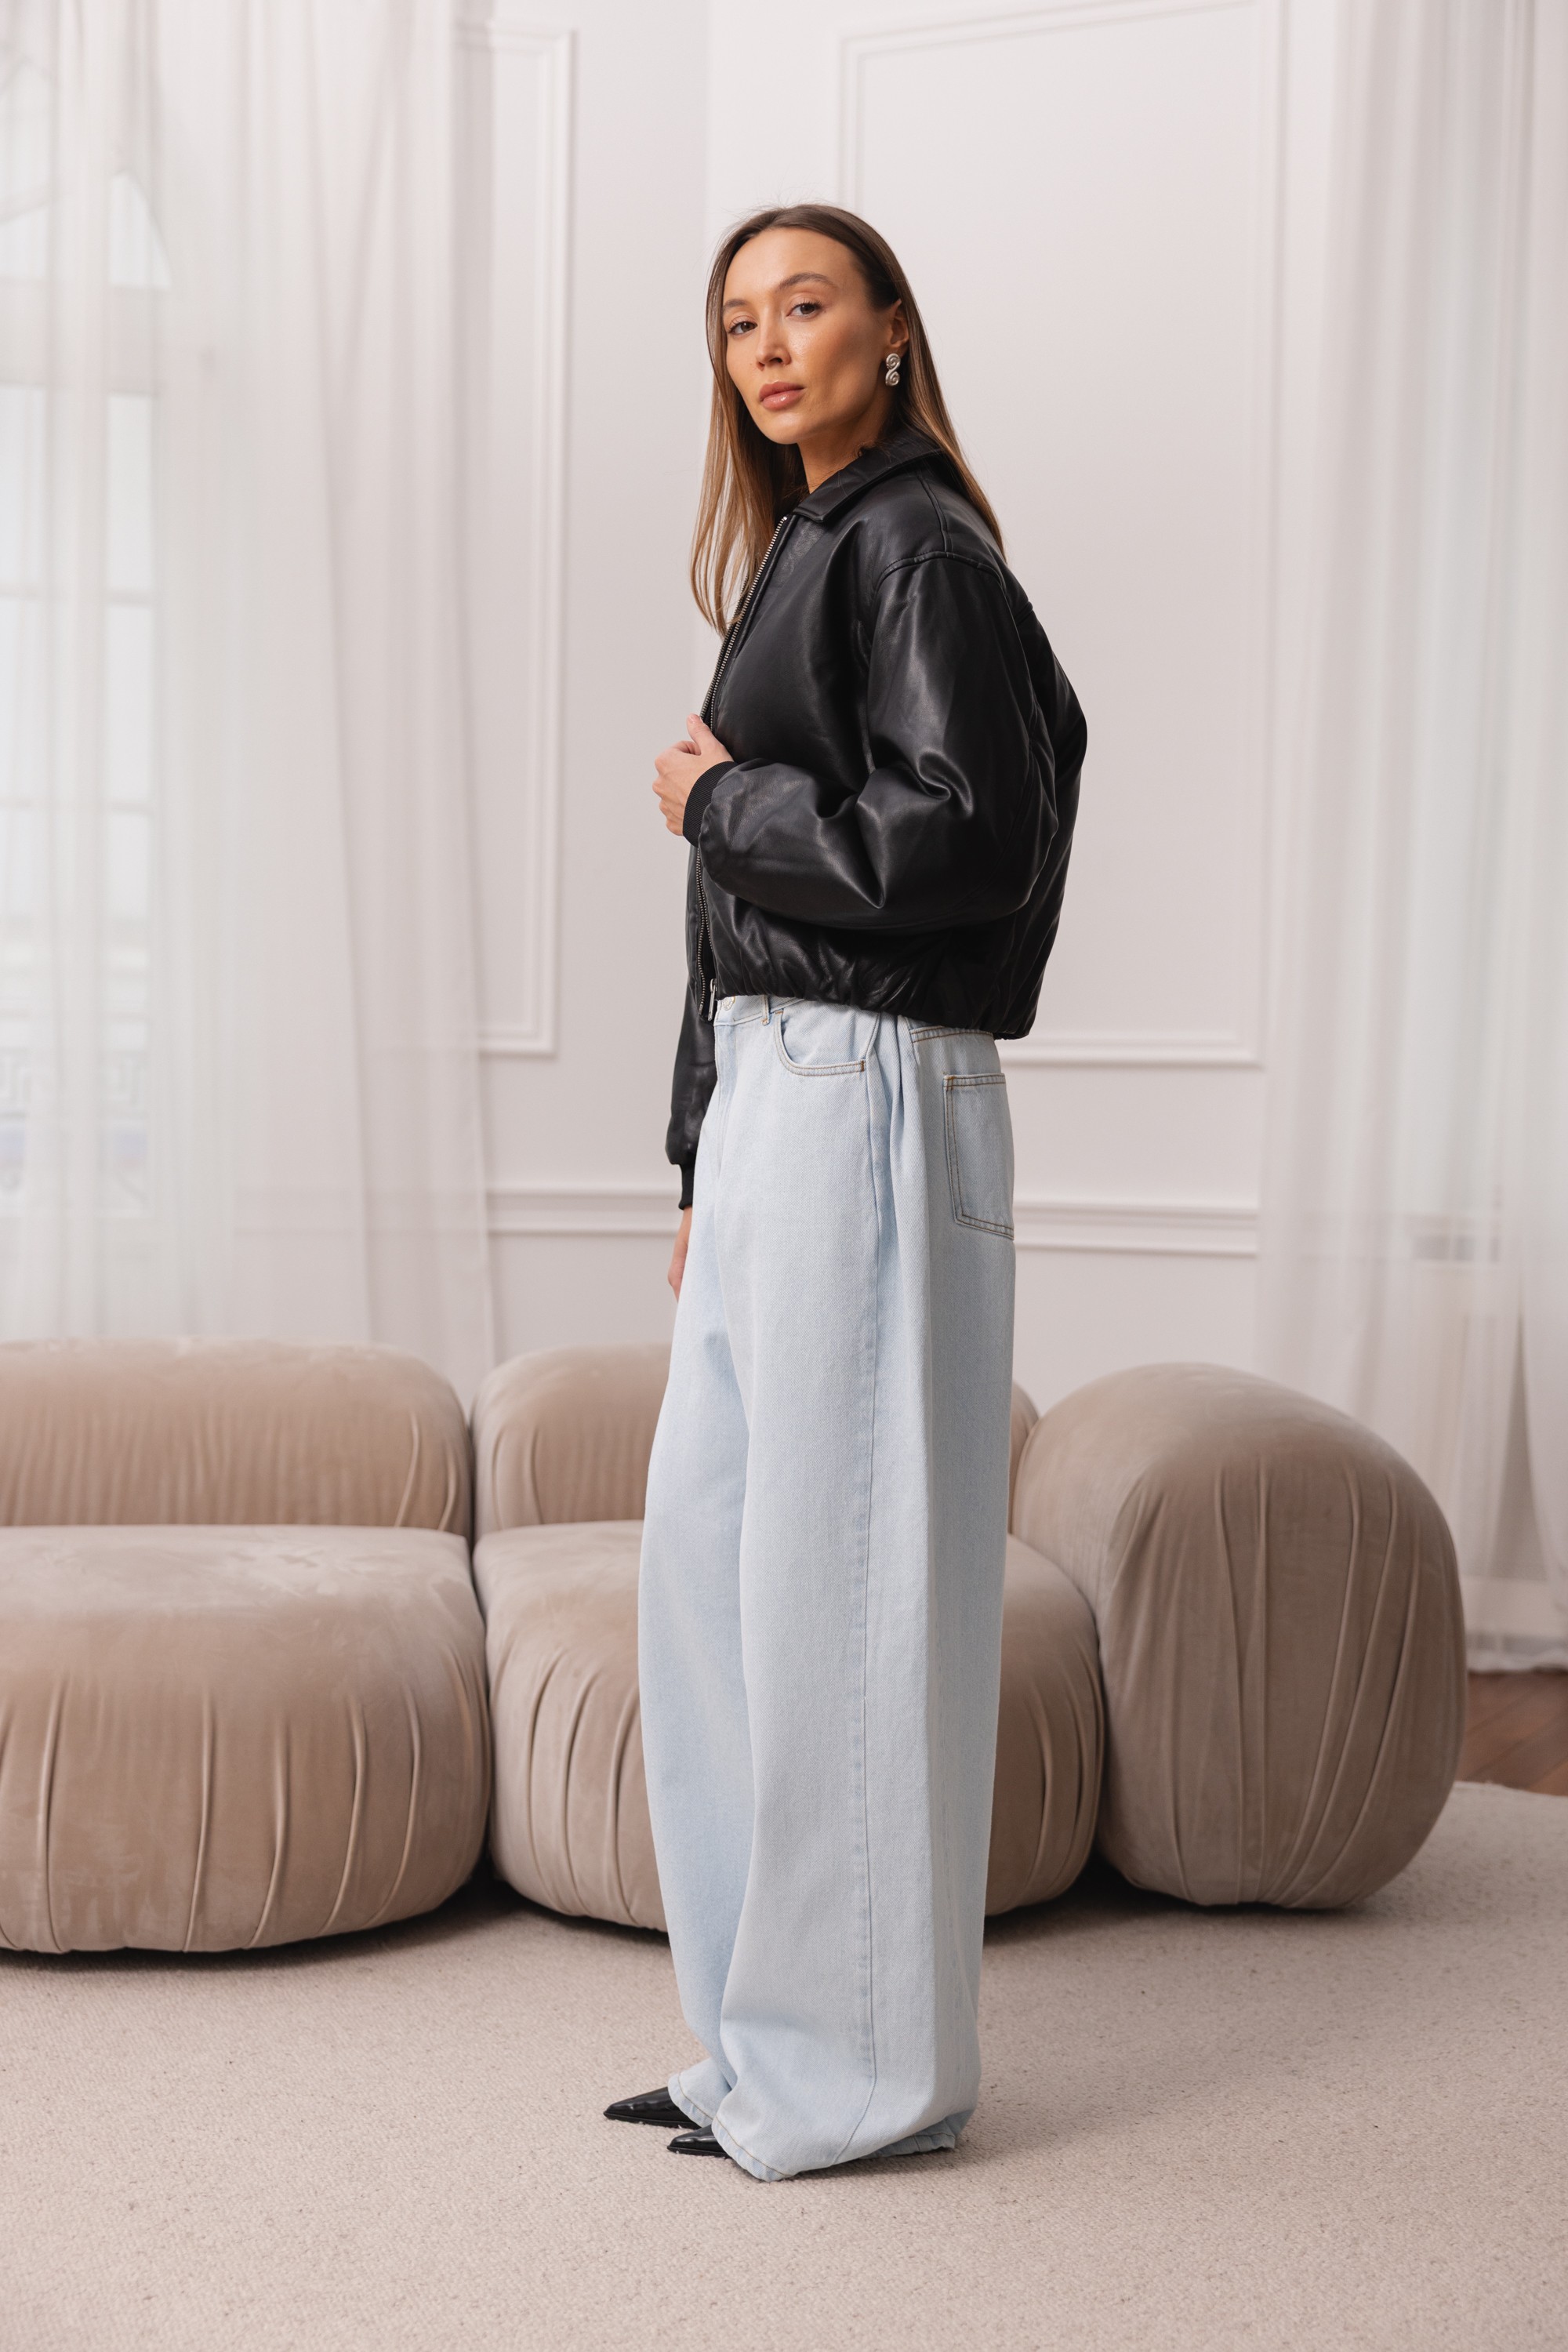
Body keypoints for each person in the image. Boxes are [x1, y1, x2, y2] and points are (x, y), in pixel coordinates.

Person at [606, 203, 1086, 2181]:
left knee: (843, 1591)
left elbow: (970, 839)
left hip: (869, 1083)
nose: (768, 345)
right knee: (721, 1581)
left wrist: (717, 798)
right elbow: (734, 934)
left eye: (804, 305)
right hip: (781, 1103)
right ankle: (758, 2043)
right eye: (738, 321)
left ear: (889, 328)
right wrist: (697, 1155)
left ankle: (864, 2080)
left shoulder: (917, 546)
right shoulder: (811, 552)